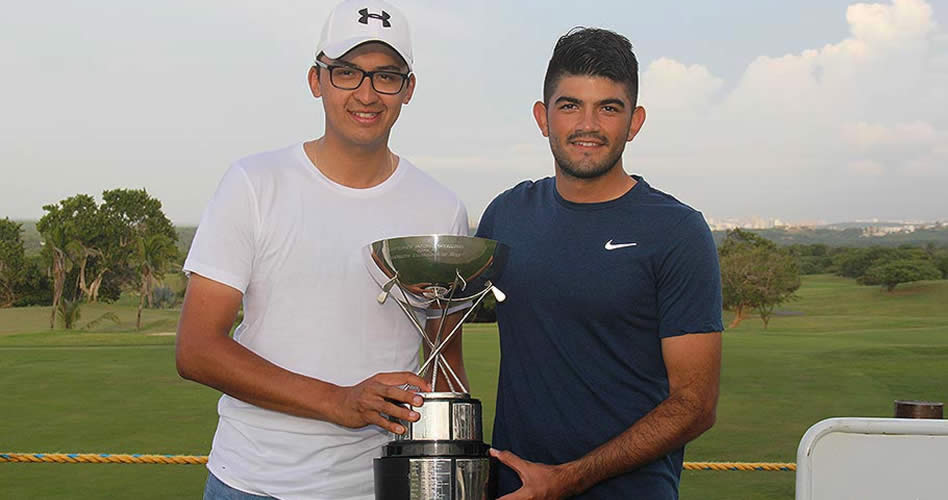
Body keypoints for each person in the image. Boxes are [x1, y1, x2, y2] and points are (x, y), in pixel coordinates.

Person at [175, 1, 469, 498]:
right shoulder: (253, 183)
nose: (367, 93)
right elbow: (197, 349)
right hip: (254, 482)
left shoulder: (441, 209)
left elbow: (444, 361)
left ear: (408, 89)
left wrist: (454, 468)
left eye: (387, 76)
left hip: (381, 484)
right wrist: (338, 401)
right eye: (347, 72)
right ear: (317, 80)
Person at [475, 27, 723, 499]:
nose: (587, 125)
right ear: (542, 117)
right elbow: (454, 310)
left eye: (608, 108)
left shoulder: (677, 231)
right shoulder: (506, 215)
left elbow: (695, 404)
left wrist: (567, 479)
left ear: (635, 122)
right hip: (514, 490)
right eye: (570, 105)